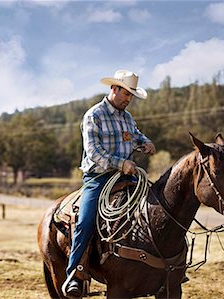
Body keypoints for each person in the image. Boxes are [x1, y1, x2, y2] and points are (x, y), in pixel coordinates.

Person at [62, 70, 156, 297]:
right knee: (85, 221)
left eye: (131, 96)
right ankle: (75, 273)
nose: (128, 99)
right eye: (126, 94)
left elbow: (136, 136)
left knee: (156, 207)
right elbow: (94, 152)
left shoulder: (127, 117)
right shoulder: (94, 115)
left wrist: (146, 143)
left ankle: (160, 267)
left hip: (126, 178)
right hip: (98, 178)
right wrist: (120, 163)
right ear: (113, 89)